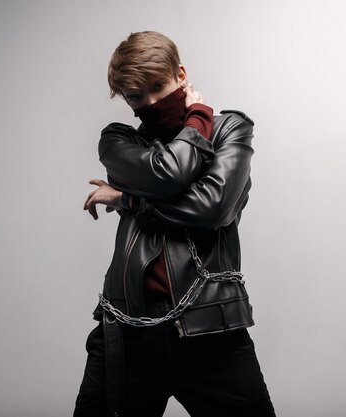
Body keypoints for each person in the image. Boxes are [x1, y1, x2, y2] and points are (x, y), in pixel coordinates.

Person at [74, 31, 275, 417]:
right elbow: (170, 175)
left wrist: (127, 199)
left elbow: (212, 208)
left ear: (180, 75)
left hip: (212, 326)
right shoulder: (117, 142)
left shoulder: (231, 130)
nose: (150, 103)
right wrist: (196, 120)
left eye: (158, 86)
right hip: (128, 326)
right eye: (136, 97)